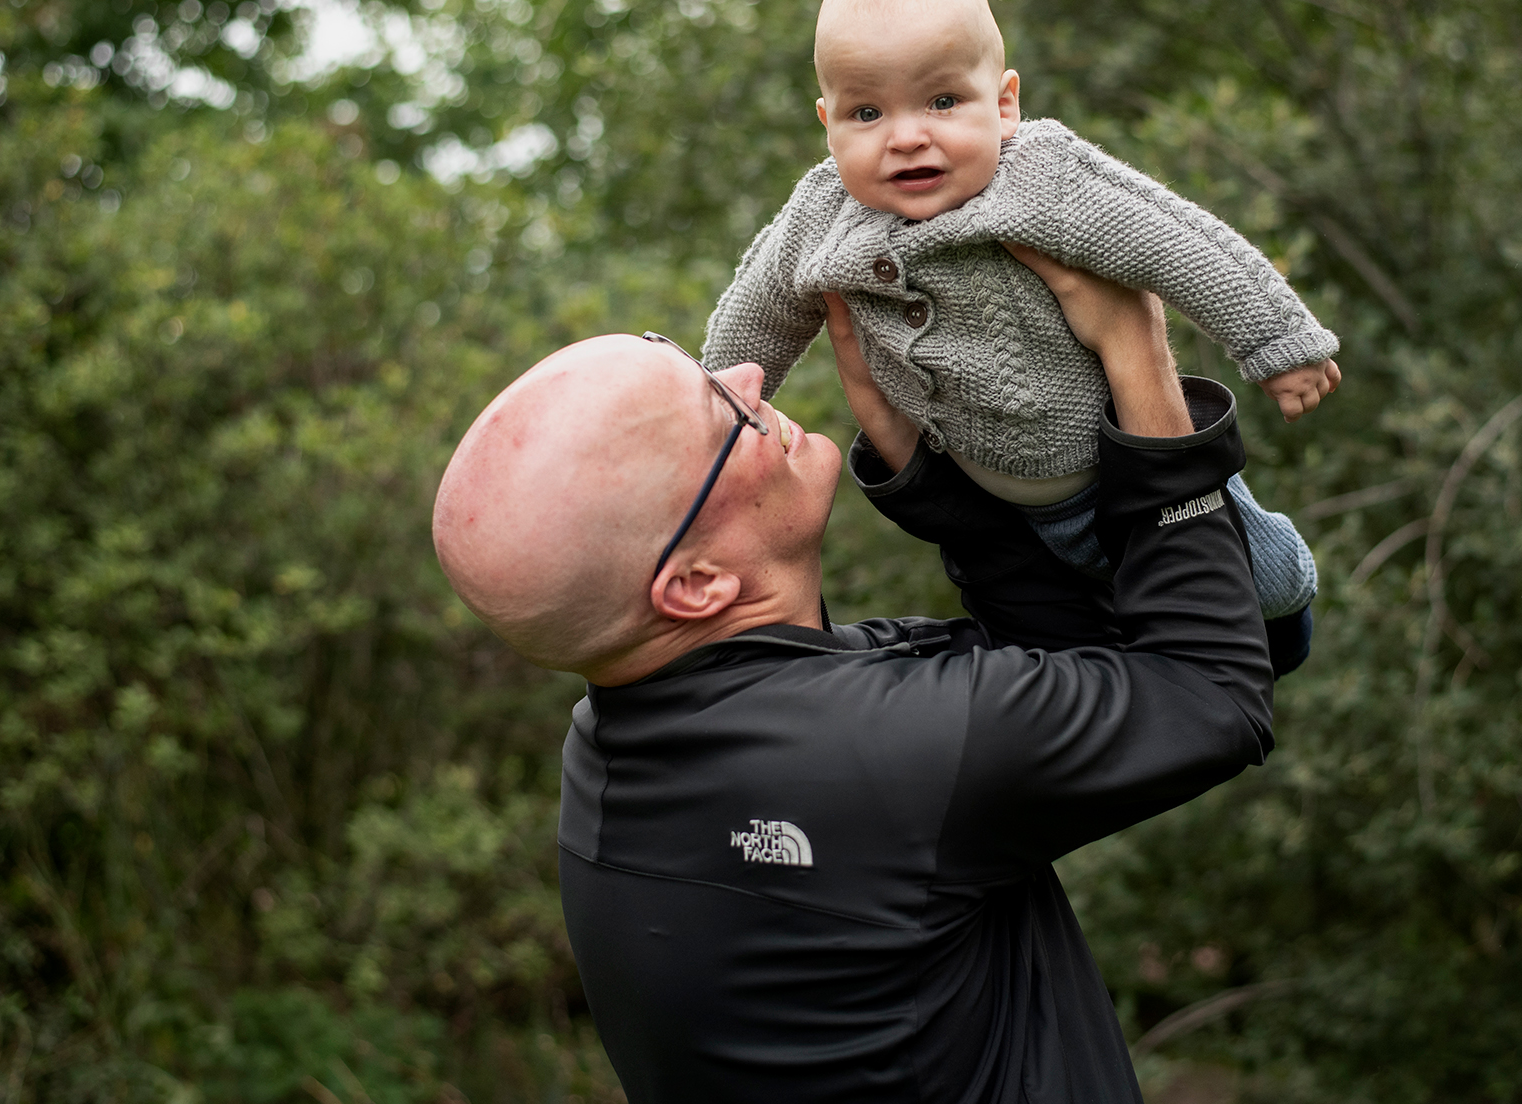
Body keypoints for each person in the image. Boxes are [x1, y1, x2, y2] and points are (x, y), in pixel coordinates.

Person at [433, 251, 1299, 1102]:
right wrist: (1139, 355)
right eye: (719, 411)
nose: (748, 373)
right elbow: (1209, 695)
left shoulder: (633, 741)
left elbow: (1053, 666)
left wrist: (944, 491)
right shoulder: (869, 756)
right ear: (696, 586)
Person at [701, 0, 1339, 622]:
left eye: (943, 101)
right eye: (868, 113)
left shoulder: (1041, 179)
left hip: (1122, 469)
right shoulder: (821, 214)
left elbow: (1174, 239)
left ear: (1003, 106)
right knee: (1082, 630)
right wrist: (705, 421)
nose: (908, 136)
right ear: (828, 125)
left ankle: (1286, 605)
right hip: (992, 502)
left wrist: (1278, 340)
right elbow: (757, 315)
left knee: (1265, 594)